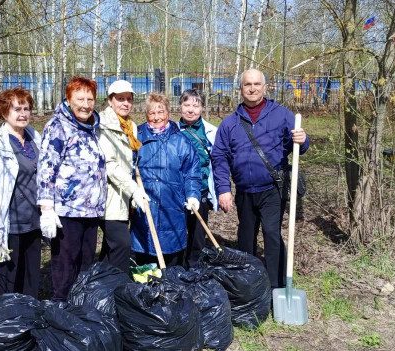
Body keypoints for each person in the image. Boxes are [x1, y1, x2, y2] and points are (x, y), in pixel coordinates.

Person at [211, 68, 309, 290]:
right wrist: (224, 189)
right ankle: (249, 285)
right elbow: (219, 157)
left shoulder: (282, 114)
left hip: (272, 188)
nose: (252, 88)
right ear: (241, 89)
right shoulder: (230, 123)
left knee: (272, 234)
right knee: (245, 238)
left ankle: (277, 287)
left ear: (265, 87)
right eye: (248, 84)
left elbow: (300, 146)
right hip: (245, 190)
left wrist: (303, 140)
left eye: (256, 84)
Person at [37, 76, 107, 301]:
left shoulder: (91, 128)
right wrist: (46, 209)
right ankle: (61, 312)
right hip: (67, 212)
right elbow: (47, 168)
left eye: (90, 98)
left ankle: (80, 313)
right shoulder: (57, 126)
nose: (86, 104)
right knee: (66, 267)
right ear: (68, 99)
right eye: (80, 98)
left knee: (85, 266)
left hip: (90, 211)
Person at [0, 87, 42, 298]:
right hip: (9, 223)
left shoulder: (35, 139)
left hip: (33, 221)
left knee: (31, 278)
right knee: (10, 280)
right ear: (5, 112)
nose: (23, 114)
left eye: (26, 108)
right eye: (17, 109)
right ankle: (9, 323)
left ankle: (29, 320)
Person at [130, 93, 201, 267]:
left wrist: (193, 195)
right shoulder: (136, 138)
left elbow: (192, 172)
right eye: (152, 113)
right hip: (144, 209)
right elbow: (126, 168)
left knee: (172, 262)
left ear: (168, 113)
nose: (156, 117)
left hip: (173, 208)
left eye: (160, 112)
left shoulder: (181, 141)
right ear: (146, 115)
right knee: (146, 264)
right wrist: (132, 193)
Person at [97, 80, 149, 274]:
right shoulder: (102, 125)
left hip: (125, 196)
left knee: (110, 248)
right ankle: (118, 289)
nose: (125, 103)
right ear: (110, 101)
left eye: (129, 99)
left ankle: (99, 287)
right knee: (121, 244)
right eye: (120, 99)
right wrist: (133, 190)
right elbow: (110, 164)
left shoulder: (131, 127)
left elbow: (132, 162)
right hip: (109, 195)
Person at [177, 89, 218, 268]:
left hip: (200, 190)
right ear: (180, 106)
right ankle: (175, 268)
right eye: (187, 105)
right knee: (176, 231)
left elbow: (218, 161)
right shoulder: (172, 130)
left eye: (196, 105)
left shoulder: (211, 132)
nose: (191, 109)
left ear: (202, 108)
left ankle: (194, 268)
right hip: (176, 192)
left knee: (197, 233)